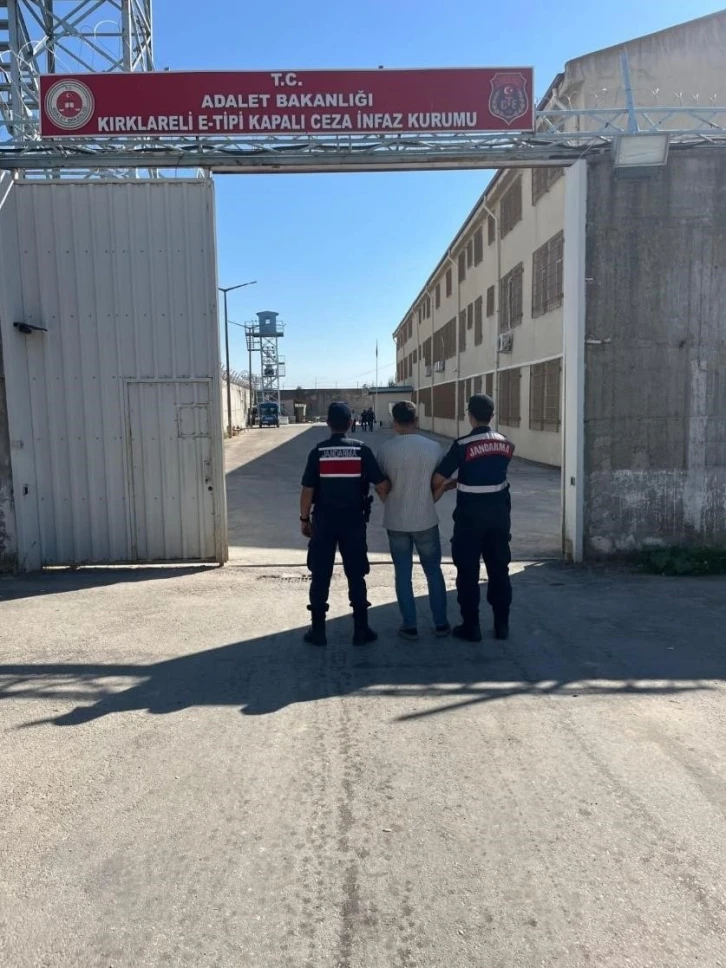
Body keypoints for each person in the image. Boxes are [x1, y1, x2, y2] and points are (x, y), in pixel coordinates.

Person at [300, 402, 389, 646]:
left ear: (328, 423)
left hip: (324, 522)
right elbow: (382, 484)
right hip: (353, 522)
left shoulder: (318, 452)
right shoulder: (362, 450)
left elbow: (307, 490)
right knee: (356, 574)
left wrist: (304, 519)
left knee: (320, 574)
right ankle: (361, 630)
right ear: (351, 423)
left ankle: (318, 631)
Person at [432, 393, 514, 642]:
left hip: (470, 518)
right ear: (492, 415)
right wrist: (459, 481)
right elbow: (487, 474)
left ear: (470, 415)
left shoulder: (462, 445)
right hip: (499, 516)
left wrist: (443, 486)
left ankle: (471, 626)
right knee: (499, 570)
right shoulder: (506, 444)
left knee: (468, 571)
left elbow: (438, 478)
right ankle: (502, 626)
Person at [376, 401, 451, 640]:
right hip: (426, 518)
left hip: (396, 520)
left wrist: (390, 503)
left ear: (394, 423)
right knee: (433, 571)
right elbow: (438, 483)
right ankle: (441, 624)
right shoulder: (433, 448)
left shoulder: (385, 451)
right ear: (416, 420)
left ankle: (410, 626)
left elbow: (381, 487)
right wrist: (431, 499)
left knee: (402, 573)